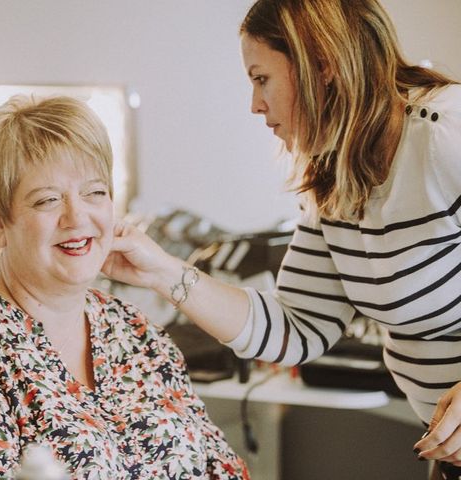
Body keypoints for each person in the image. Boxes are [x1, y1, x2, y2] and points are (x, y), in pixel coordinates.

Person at [101, 0, 461, 477]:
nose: (254, 104)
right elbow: (296, 327)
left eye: (261, 78)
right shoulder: (333, 178)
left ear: (323, 67)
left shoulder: (444, 133)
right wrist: (166, 272)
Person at [0, 95, 249, 479]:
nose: (77, 216)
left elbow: (220, 466)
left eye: (95, 192)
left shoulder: (134, 331)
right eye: (48, 200)